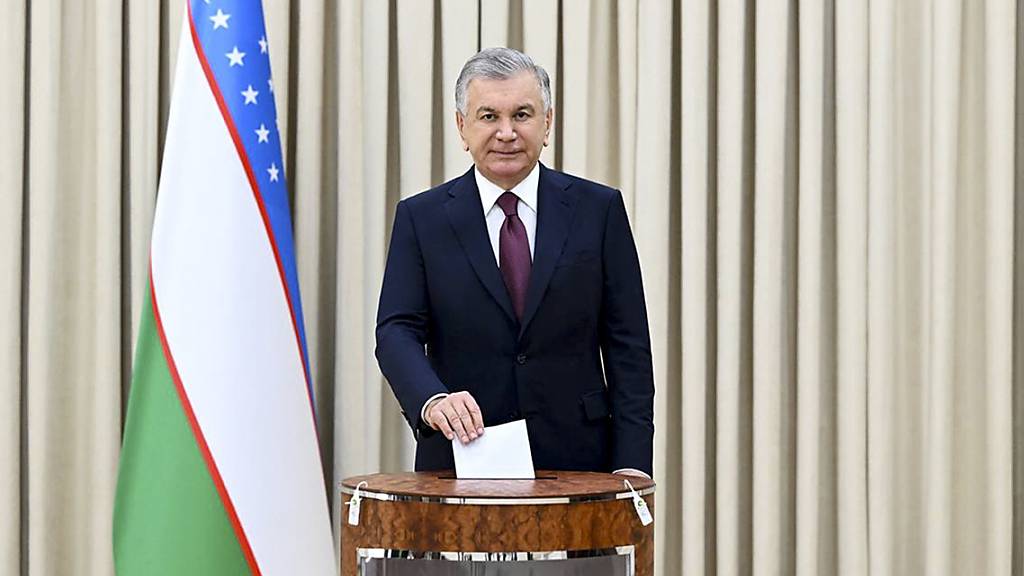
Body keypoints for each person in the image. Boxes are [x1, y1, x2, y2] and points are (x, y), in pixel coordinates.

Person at [375, 47, 654, 477]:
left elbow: (628, 345)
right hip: (461, 460)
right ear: (461, 127)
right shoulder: (421, 219)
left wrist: (632, 465)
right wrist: (432, 401)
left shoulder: (599, 210)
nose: (506, 132)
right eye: (489, 117)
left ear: (548, 123)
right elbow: (396, 331)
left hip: (580, 465)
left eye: (522, 114)